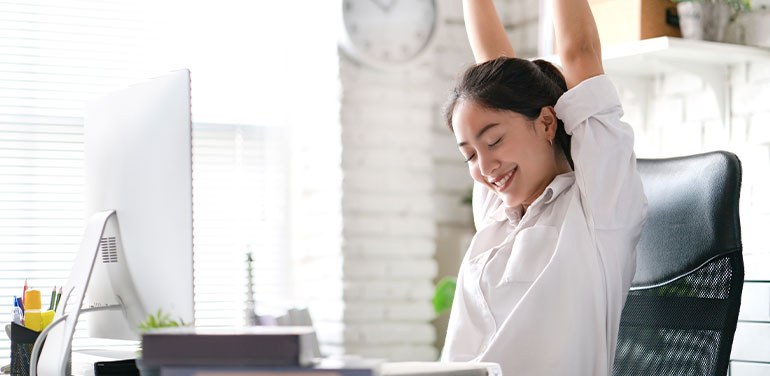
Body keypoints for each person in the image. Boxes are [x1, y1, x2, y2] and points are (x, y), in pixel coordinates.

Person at [440, 0, 648, 374]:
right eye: (469, 155)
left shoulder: (597, 209)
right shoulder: (496, 215)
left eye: (494, 141)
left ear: (547, 123)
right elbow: (494, 72)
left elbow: (579, 51)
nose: (485, 169)